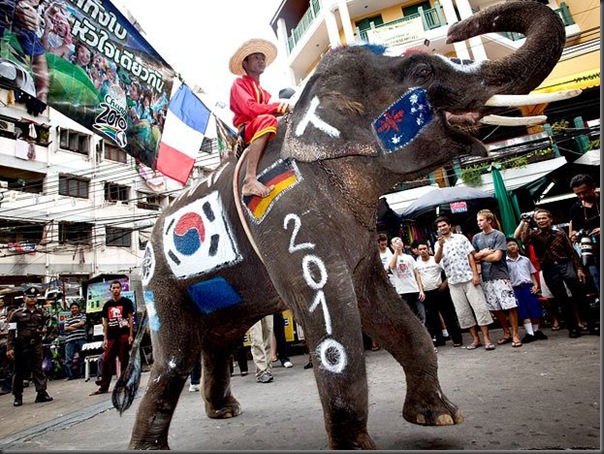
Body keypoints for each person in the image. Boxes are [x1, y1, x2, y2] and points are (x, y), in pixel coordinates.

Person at [514, 209, 598, 338]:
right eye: (538, 219)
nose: (541, 221)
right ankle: (573, 328)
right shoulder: (534, 235)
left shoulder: (560, 233)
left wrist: (579, 269)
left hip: (565, 264)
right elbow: (522, 239)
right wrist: (525, 222)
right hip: (549, 268)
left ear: (550, 219)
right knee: (562, 299)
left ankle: (592, 325)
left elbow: (571, 252)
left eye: (544, 218)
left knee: (579, 295)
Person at [229, 38, 289, 197]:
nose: (261, 60)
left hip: (257, 125)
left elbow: (268, 108)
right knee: (268, 120)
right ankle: (249, 180)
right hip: (247, 130)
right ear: (245, 64)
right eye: (256, 57)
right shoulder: (238, 84)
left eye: (262, 58)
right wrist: (280, 107)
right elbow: (251, 109)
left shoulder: (263, 92)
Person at [434, 216, 495, 350]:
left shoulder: (461, 238)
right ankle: (475, 339)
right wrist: (440, 246)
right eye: (439, 227)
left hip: (469, 278)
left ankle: (486, 338)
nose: (442, 228)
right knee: (463, 312)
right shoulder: (437, 243)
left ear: (449, 226)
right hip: (453, 282)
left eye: (444, 225)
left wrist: (475, 274)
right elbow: (436, 260)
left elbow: (471, 256)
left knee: (480, 308)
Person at [473, 209, 522, 348]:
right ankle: (506, 332)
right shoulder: (476, 238)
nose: (479, 223)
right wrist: (485, 253)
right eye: (478, 221)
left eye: (481, 220)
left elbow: (497, 257)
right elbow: (474, 257)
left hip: (500, 275)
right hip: (486, 276)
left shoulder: (498, 235)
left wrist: (482, 255)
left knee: (509, 305)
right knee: (495, 307)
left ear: (489, 220)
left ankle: (515, 334)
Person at [6, 286, 53, 406]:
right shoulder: (16, 314)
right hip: (21, 344)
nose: (32, 299)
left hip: (36, 343)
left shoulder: (40, 313)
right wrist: (10, 348)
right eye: (29, 297)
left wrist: (43, 329)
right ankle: (17, 396)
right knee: (19, 370)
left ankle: (41, 392)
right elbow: (11, 332)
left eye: (34, 297)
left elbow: (45, 325)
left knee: (38, 368)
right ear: (24, 298)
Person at [415, 241, 463, 347]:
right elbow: (418, 277)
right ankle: (440, 340)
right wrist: (421, 291)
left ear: (428, 249)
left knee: (448, 315)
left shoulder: (435, 260)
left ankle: (456, 339)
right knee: (433, 318)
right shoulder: (417, 263)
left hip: (440, 291)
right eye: (420, 249)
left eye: (424, 248)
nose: (423, 251)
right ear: (417, 251)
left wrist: (445, 283)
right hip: (427, 293)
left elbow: (449, 271)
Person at [90, 281, 134, 395]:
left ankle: (125, 384)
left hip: (123, 334)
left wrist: (130, 335)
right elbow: (105, 322)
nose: (116, 290)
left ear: (120, 289)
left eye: (118, 288)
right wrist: (105, 338)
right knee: (106, 360)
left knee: (124, 360)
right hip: (111, 336)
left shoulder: (126, 302)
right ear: (110, 289)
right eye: (113, 288)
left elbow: (130, 319)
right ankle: (104, 386)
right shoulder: (107, 305)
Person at [505, 238, 548, 343]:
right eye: (509, 245)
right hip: (516, 288)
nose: (512, 247)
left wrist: (536, 285)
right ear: (505, 248)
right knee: (523, 310)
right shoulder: (505, 263)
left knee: (534, 309)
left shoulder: (525, 260)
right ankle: (530, 333)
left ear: (518, 246)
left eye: (514, 244)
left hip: (528, 286)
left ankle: (536, 331)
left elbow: (532, 273)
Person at [569, 174, 600, 292]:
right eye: (578, 194)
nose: (582, 196)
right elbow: (575, 228)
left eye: (585, 192)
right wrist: (575, 235)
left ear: (593, 187)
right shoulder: (576, 208)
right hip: (592, 253)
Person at [388, 237, 426, 324]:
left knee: (421, 316)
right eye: (395, 242)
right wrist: (396, 252)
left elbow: (417, 274)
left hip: (414, 290)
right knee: (408, 318)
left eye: (399, 241)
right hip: (402, 292)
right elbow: (392, 266)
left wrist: (421, 290)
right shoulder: (391, 258)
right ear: (391, 245)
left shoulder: (409, 257)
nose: (398, 243)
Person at [63, 302, 87, 380]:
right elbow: (66, 328)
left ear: (78, 308)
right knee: (68, 359)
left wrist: (71, 326)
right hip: (70, 340)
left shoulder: (82, 316)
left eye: (76, 307)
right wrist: (78, 325)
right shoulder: (67, 319)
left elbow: (82, 323)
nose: (74, 309)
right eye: (72, 308)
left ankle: (82, 374)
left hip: (81, 339)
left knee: (83, 357)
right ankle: (69, 376)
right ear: (70, 309)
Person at [249, 315, 274, 383]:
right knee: (256, 338)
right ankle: (261, 371)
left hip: (267, 305)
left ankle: (267, 369)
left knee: (269, 335)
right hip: (251, 306)